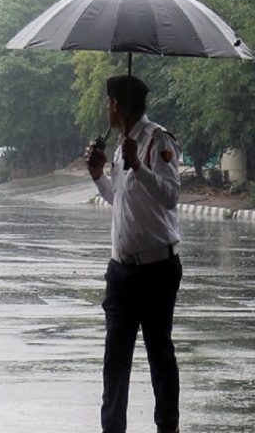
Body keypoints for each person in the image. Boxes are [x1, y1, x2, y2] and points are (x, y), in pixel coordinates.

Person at [85, 75, 183, 433]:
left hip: (157, 270)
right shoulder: (120, 145)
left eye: (108, 101)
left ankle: (167, 427)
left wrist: (138, 166)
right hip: (121, 272)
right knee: (115, 361)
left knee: (160, 355)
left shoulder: (158, 141)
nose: (105, 109)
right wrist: (98, 175)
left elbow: (171, 195)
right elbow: (119, 200)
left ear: (117, 105)